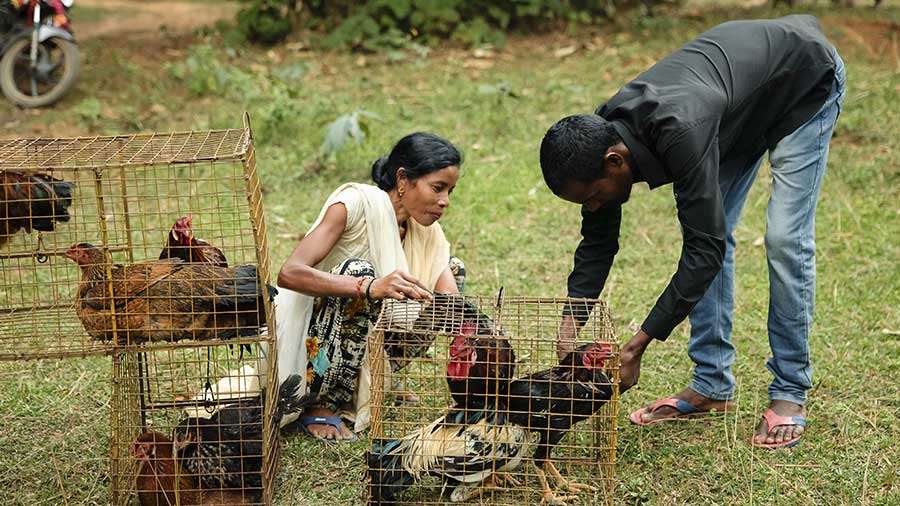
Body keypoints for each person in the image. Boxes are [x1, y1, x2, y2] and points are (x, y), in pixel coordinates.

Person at [539, 15, 845, 449]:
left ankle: (790, 391)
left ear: (614, 162)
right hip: (736, 107)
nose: (593, 206)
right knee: (711, 234)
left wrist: (636, 346)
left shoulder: (679, 130)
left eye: (591, 197)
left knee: (782, 239)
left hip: (804, 80)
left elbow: (704, 253)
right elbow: (599, 240)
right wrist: (571, 323)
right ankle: (712, 384)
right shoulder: (603, 131)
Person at [274, 132, 464, 442]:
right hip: (312, 342)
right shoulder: (354, 205)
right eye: (438, 188)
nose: (445, 201)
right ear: (403, 179)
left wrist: (479, 332)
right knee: (358, 273)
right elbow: (290, 273)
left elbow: (451, 303)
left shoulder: (425, 231)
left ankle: (380, 377)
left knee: (454, 268)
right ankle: (320, 402)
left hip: (369, 337)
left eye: (451, 191)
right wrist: (367, 285)